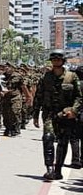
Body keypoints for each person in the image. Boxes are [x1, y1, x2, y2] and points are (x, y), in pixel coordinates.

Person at [32, 49, 80, 181]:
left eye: (58, 59)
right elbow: (38, 96)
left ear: (63, 61)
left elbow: (79, 97)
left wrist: (74, 111)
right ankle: (49, 169)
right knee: (47, 138)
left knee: (62, 142)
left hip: (65, 114)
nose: (56, 62)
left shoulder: (72, 77)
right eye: (53, 60)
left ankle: (58, 170)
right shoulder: (46, 77)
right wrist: (35, 114)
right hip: (49, 113)